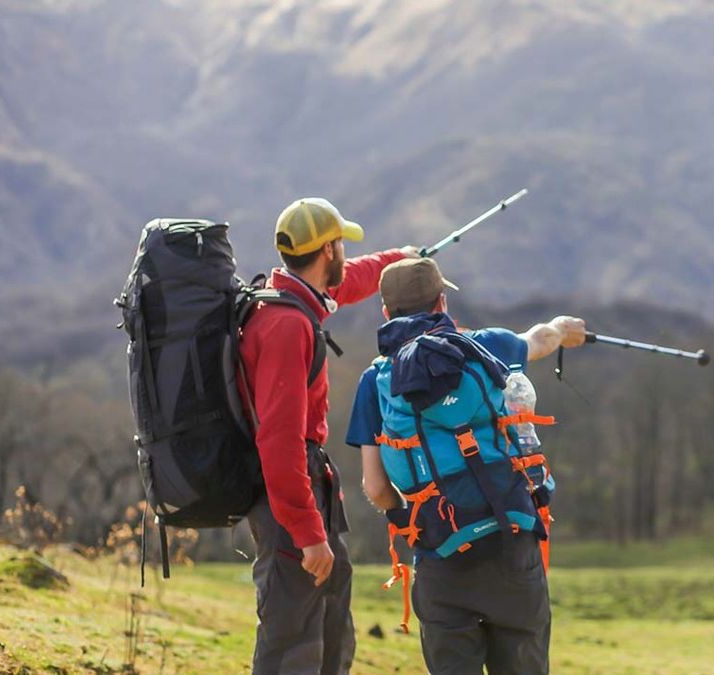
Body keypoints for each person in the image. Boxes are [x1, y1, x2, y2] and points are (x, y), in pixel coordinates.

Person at [345, 257, 585, 674]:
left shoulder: (376, 381)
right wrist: (564, 329)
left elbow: (377, 487)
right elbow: (539, 339)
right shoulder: (487, 344)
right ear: (442, 301)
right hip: (511, 541)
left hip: (439, 554)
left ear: (386, 313)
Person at [239, 197, 418, 674]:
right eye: (341, 244)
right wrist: (307, 533)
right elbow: (279, 441)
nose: (344, 253)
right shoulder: (286, 326)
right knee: (291, 641)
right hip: (289, 498)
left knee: (331, 628)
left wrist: (398, 259)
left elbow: (352, 280)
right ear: (327, 251)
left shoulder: (291, 298)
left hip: (309, 488)